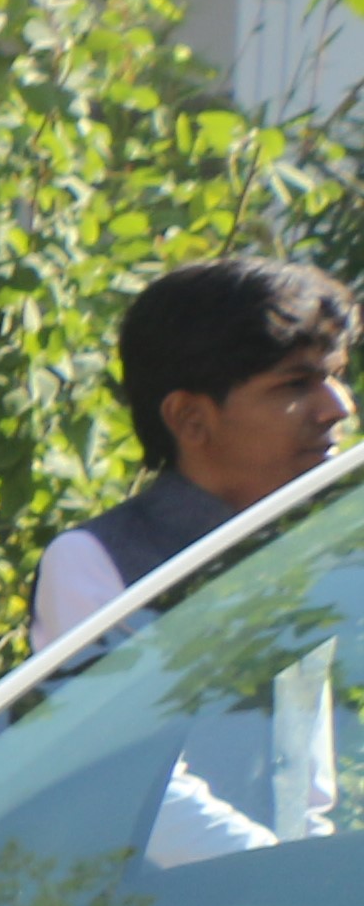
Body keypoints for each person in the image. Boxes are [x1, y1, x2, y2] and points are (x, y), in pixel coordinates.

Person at [30, 255, 354, 650]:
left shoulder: (345, 532)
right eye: (295, 385)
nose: (338, 408)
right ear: (190, 419)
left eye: (336, 377)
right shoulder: (96, 561)